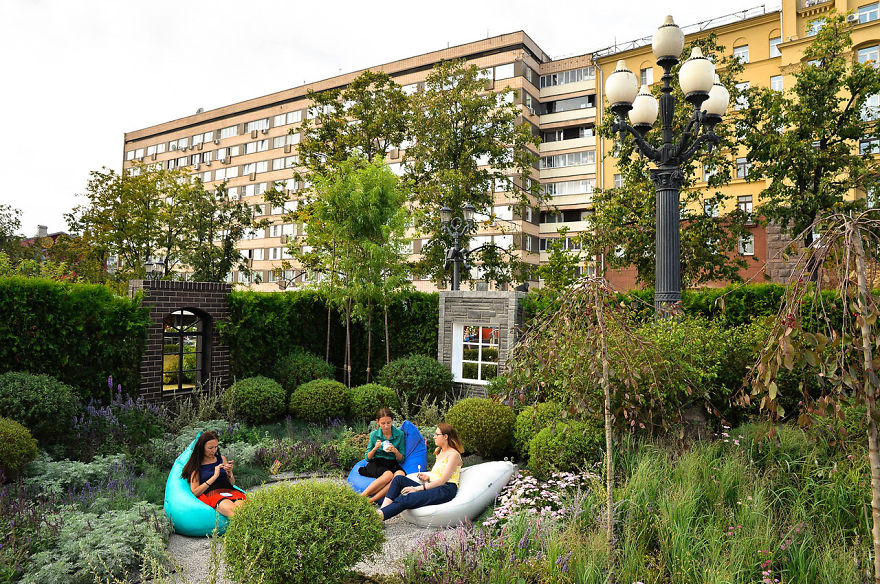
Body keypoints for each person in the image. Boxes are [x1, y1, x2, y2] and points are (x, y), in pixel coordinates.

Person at [378, 422, 463, 521]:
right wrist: (429, 477)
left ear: (445, 436)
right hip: (435, 486)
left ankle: (376, 518)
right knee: (398, 479)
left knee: (407, 497)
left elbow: (442, 481)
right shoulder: (439, 452)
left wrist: (417, 489)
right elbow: (440, 473)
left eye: (437, 434)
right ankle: (382, 510)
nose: (434, 437)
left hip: (445, 489)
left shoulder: (453, 455)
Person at [181, 431, 247, 518]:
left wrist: (230, 473)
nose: (214, 450)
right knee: (234, 511)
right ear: (202, 447)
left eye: (216, 447)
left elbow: (232, 483)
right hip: (213, 493)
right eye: (210, 448)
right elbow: (195, 492)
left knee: (244, 510)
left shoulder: (221, 459)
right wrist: (214, 476)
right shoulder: (196, 465)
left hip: (229, 490)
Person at [360, 408, 406, 504]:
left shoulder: (400, 434)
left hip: (392, 463)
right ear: (378, 422)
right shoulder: (374, 435)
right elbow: (367, 458)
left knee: (400, 475)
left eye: (388, 423)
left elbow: (402, 459)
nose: (386, 426)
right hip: (377, 462)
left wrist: (395, 451)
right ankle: (362, 497)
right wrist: (375, 448)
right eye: (383, 423)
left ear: (392, 421)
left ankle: (372, 500)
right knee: (388, 475)